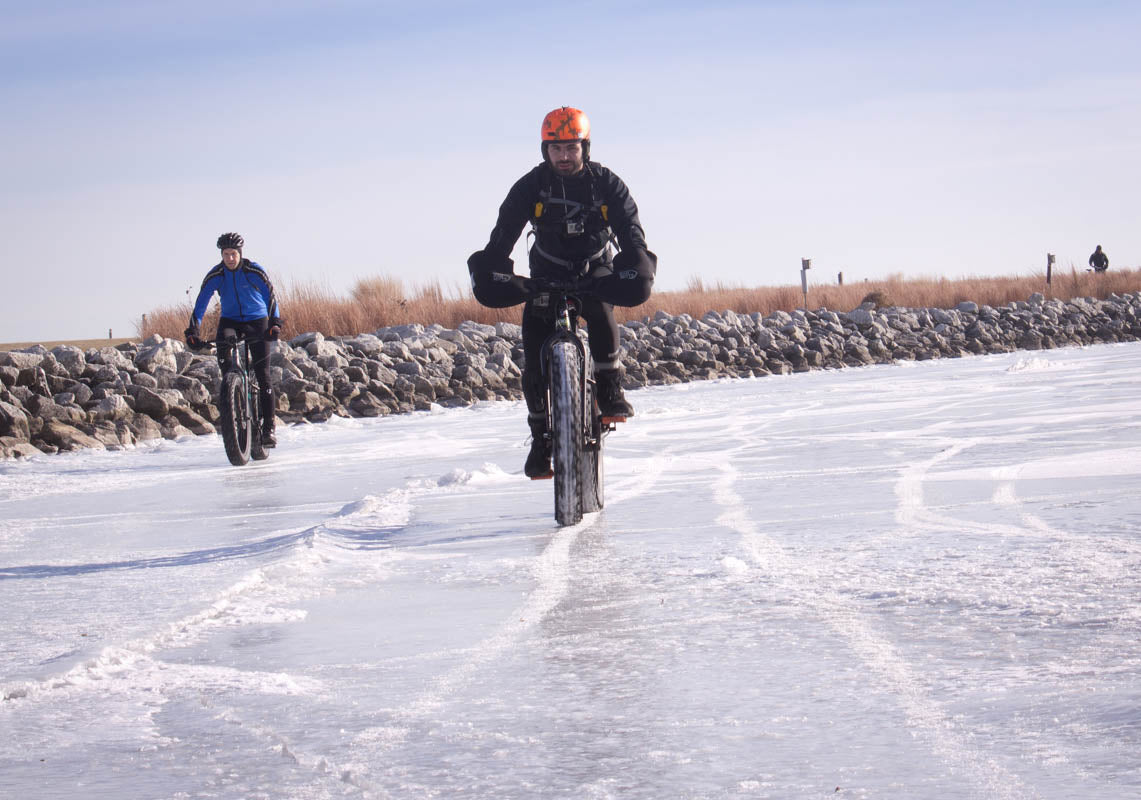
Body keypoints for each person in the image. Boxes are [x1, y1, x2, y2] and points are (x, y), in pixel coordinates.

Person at [468, 107, 656, 478]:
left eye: (571, 148)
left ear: (584, 147)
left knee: (601, 311)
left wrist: (634, 264)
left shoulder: (607, 184)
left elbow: (632, 233)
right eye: (556, 149)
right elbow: (501, 237)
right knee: (535, 345)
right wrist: (497, 272)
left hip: (595, 271)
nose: (564, 156)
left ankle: (610, 387)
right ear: (545, 151)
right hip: (546, 275)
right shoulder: (529, 186)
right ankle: (541, 439)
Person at [184, 232, 283, 446]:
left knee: (263, 374)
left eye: (233, 254)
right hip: (230, 321)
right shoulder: (216, 274)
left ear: (240, 253)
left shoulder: (253, 270)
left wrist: (274, 323)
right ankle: (234, 395)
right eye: (226, 254)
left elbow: (270, 296)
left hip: (257, 320)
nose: (230, 258)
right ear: (222, 254)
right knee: (226, 363)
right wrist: (193, 330)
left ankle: (269, 428)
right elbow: (201, 301)